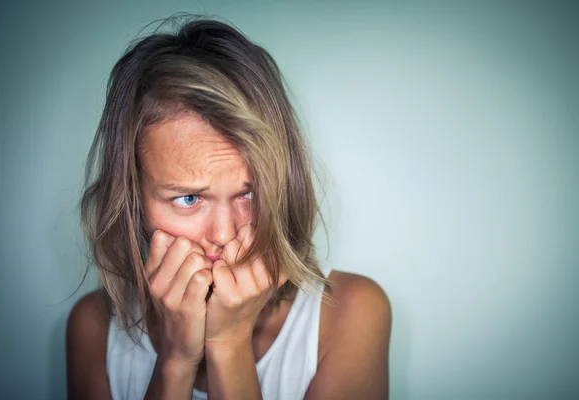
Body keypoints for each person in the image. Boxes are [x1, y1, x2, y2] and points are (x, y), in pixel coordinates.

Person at [66, 17, 392, 400]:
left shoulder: (351, 313)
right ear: (133, 201)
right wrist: (174, 359)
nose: (224, 234)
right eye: (189, 198)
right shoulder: (94, 327)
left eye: (248, 194)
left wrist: (228, 344)